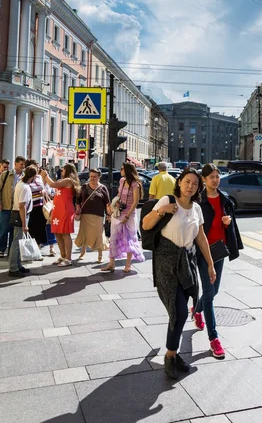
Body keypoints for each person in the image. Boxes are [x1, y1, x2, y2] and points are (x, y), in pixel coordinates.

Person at [142, 168, 216, 380]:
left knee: (180, 311)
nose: (190, 186)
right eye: (187, 182)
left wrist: (210, 265)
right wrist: (162, 210)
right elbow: (146, 225)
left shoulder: (196, 209)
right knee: (180, 312)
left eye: (194, 183)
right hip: (166, 263)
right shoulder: (167, 200)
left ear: (198, 187)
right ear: (179, 182)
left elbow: (201, 238)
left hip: (186, 263)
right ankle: (170, 355)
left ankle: (173, 355)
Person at [192, 163, 243, 359]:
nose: (215, 179)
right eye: (211, 176)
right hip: (204, 252)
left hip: (219, 251)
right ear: (204, 179)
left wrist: (228, 222)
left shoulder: (225, 200)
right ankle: (214, 339)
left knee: (213, 291)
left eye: (217, 176)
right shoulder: (199, 202)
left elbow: (232, 225)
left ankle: (197, 310)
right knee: (210, 294)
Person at [101, 162, 144, 273]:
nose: (120, 170)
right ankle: (111, 264)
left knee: (128, 238)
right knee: (113, 238)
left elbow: (136, 202)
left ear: (127, 170)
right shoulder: (122, 181)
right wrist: (113, 207)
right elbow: (119, 196)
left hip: (129, 215)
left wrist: (128, 216)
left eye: (122, 168)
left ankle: (128, 265)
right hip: (118, 213)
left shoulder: (135, 184)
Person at [40, 164, 81, 267]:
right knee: (57, 232)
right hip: (58, 210)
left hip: (65, 210)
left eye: (63, 170)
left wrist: (45, 175)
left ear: (67, 171)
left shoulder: (68, 180)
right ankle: (63, 256)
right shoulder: (64, 181)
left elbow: (52, 184)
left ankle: (68, 258)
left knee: (65, 233)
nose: (61, 172)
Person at [75, 168, 111, 263]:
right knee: (84, 233)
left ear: (99, 177)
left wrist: (108, 214)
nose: (92, 178)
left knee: (99, 235)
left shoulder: (103, 188)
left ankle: (100, 256)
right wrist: (78, 207)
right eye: (91, 176)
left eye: (95, 177)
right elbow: (78, 200)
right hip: (85, 215)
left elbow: (107, 203)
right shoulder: (84, 187)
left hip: (98, 215)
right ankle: (83, 253)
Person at [8, 165, 37, 278]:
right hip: (21, 216)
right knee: (16, 243)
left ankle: (18, 265)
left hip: (19, 215)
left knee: (18, 242)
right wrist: (25, 224)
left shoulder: (21, 184)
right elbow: (22, 206)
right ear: (33, 176)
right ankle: (13, 268)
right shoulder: (24, 187)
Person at [24, 160, 55, 258]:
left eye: (37, 166)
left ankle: (37, 251)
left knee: (40, 229)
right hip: (31, 207)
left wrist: (43, 191)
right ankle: (31, 252)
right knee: (32, 229)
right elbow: (27, 191)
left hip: (40, 207)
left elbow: (44, 188)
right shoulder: (25, 179)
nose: (37, 168)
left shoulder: (38, 178)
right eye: (35, 166)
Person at [0, 156, 26, 258]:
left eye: (24, 165)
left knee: (14, 230)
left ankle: (11, 250)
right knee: (4, 229)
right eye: (21, 164)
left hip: (17, 208)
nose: (23, 167)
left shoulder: (24, 177)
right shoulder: (6, 175)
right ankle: (1, 249)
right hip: (5, 207)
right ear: (15, 164)